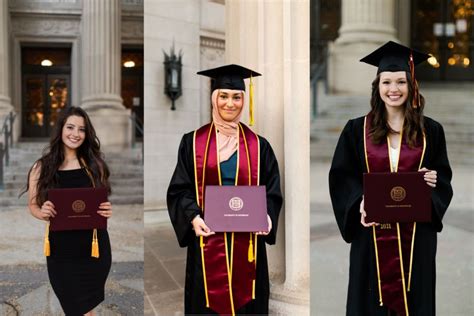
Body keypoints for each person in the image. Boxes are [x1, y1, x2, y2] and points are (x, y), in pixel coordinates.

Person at [329, 41, 453, 315]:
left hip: (416, 238)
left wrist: (431, 179)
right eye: (386, 82)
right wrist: (358, 203)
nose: (393, 89)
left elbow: (443, 177)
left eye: (400, 82)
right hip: (371, 235)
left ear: (411, 86)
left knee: (414, 297)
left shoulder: (430, 131)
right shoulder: (355, 130)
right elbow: (342, 176)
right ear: (377, 86)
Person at [167, 64, 283, 315]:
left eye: (237, 97)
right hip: (208, 239)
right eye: (223, 95)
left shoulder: (259, 146)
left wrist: (267, 217)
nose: (230, 103)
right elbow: (180, 188)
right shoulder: (192, 142)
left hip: (247, 240)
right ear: (213, 98)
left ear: (244, 100)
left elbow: (272, 190)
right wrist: (193, 217)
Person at [24, 106, 113, 316]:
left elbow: (101, 202)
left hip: (93, 248)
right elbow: (33, 206)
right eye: (70, 127)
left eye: (81, 129)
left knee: (85, 309)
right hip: (61, 251)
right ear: (61, 129)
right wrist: (43, 212)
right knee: (75, 308)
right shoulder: (41, 167)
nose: (75, 134)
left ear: (87, 133)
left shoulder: (95, 165)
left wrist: (106, 209)